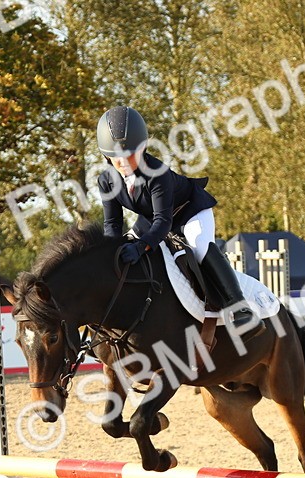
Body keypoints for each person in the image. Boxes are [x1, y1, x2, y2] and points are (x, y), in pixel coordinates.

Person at [95, 106, 263, 336]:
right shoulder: (106, 181)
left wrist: (142, 246)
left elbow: (164, 223)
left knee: (199, 246)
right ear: (106, 156)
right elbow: (112, 224)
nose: (123, 162)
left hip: (188, 212)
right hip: (150, 219)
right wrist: (109, 253)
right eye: (116, 157)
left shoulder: (157, 173)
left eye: (129, 154)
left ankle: (240, 307)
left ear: (142, 148)